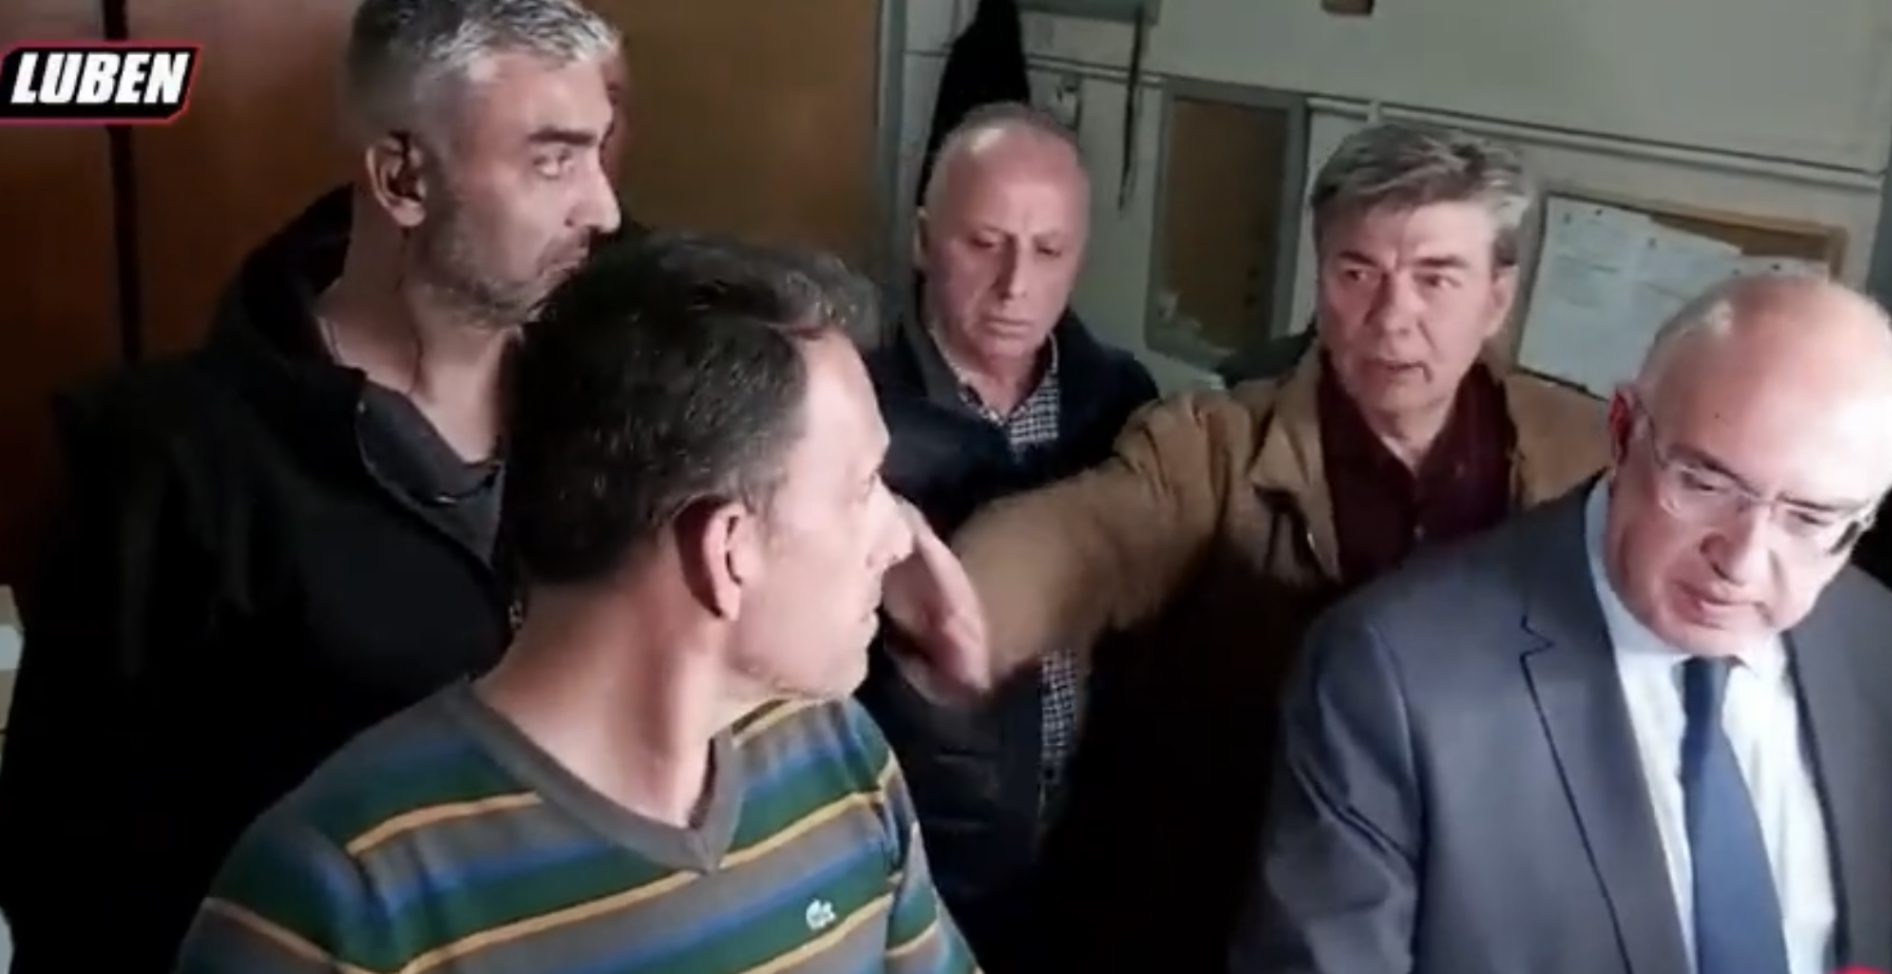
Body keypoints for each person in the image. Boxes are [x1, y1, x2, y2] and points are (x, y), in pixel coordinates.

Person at [890, 119, 1611, 969]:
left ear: (1496, 296)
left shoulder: (1585, 456)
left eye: (1435, 278)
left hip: (1491, 914)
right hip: (1253, 912)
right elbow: (1093, 533)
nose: (1392, 318)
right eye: (1357, 273)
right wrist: (974, 605)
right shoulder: (1217, 444)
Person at [0, 1, 622, 969]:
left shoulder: (621, 398)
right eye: (553, 161)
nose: (602, 208)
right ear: (402, 178)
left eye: (598, 153)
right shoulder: (167, 463)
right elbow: (75, 867)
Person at [172, 232, 978, 974]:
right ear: (728, 551)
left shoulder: (839, 757)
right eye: (862, 488)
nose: (896, 538)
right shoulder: (338, 899)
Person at [1230, 274, 1892, 974]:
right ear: (1621, 430)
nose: (1741, 562)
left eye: (1810, 518)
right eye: (1704, 483)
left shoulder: (1883, 644)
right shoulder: (1389, 674)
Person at [857, 101, 1156, 971]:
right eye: (984, 243)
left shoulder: (1121, 401)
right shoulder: (852, 412)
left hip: (1091, 857)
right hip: (919, 865)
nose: (1016, 284)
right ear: (924, 239)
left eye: (1050, 251)